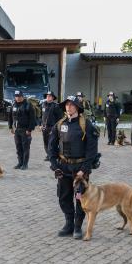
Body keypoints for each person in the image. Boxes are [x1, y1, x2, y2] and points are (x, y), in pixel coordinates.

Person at [48, 96, 99, 239]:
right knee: (64, 197)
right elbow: (51, 146)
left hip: (80, 169)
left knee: (80, 198)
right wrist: (54, 165)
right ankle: (69, 224)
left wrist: (85, 169)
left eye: (71, 105)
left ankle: (77, 226)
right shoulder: (59, 124)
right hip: (64, 167)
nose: (68, 107)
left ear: (77, 107)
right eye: (66, 105)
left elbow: (92, 150)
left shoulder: (86, 125)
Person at [8, 90, 36, 170]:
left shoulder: (28, 105)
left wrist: (29, 129)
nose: (17, 98)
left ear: (22, 96)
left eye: (19, 96)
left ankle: (25, 164)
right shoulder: (13, 104)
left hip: (25, 130)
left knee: (25, 147)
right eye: (16, 96)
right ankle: (20, 163)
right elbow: (10, 117)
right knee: (18, 147)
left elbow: (32, 118)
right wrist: (10, 127)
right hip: (17, 130)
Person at [41, 91, 63, 161]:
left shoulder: (56, 106)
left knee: (52, 142)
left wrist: (56, 127)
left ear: (53, 98)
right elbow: (41, 116)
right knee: (46, 142)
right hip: (44, 127)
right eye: (47, 96)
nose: (48, 97)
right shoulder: (43, 104)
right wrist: (40, 124)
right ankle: (48, 155)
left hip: (52, 127)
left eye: (50, 96)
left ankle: (53, 155)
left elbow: (60, 118)